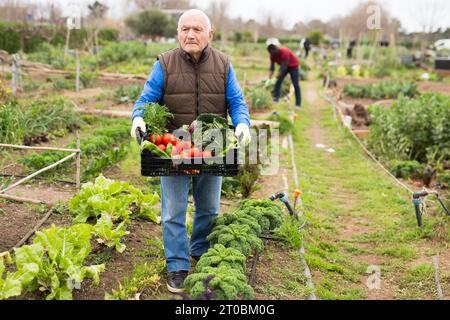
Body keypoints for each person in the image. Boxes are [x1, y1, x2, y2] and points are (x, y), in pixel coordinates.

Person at [130, 9, 251, 293]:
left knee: (208, 208)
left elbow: (236, 101)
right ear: (178, 33)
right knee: (173, 211)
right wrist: (138, 118)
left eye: (197, 29)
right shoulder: (164, 63)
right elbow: (146, 99)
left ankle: (199, 250)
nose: (190, 34)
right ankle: (177, 265)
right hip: (174, 149)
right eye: (185, 29)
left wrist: (243, 123)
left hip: (212, 149)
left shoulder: (223, 64)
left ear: (210, 34)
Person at [266, 38, 302, 111]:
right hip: (284, 66)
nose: (272, 52)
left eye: (273, 49)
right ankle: (276, 99)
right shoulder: (272, 55)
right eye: (270, 50)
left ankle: (298, 105)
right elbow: (272, 67)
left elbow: (283, 67)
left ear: (277, 47)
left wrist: (277, 76)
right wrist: (269, 78)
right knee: (278, 82)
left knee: (296, 84)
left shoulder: (284, 52)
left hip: (293, 66)